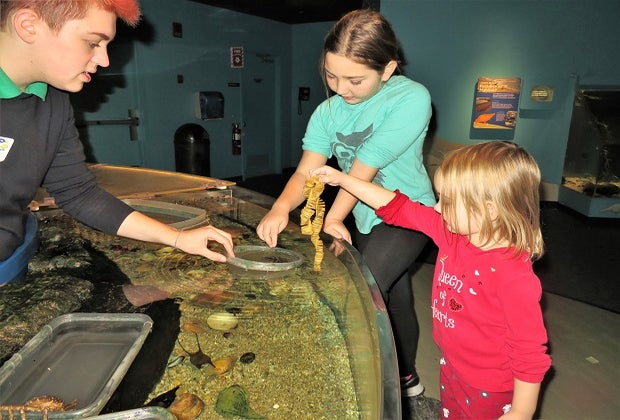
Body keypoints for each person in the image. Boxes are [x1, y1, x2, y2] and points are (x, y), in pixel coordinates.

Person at [256, 9, 435, 397]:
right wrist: (280, 208)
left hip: (408, 213)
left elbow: (364, 168)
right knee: (395, 294)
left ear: (387, 70)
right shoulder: (327, 112)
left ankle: (367, 386)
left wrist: (333, 217)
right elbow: (306, 173)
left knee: (360, 292)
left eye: (355, 79)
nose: (342, 89)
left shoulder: (411, 98)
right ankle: (407, 377)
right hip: (365, 216)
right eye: (331, 75)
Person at [311, 141, 552, 419]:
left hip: (490, 388)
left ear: (490, 210)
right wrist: (343, 179)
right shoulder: (451, 234)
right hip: (452, 366)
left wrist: (522, 411)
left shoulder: (513, 276)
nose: (437, 208)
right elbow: (397, 207)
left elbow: (529, 352)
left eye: (447, 201)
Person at [0, 0, 234, 284]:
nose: (105, 60)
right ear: (29, 26)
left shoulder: (55, 103)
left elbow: (79, 193)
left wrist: (177, 238)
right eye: (92, 42)